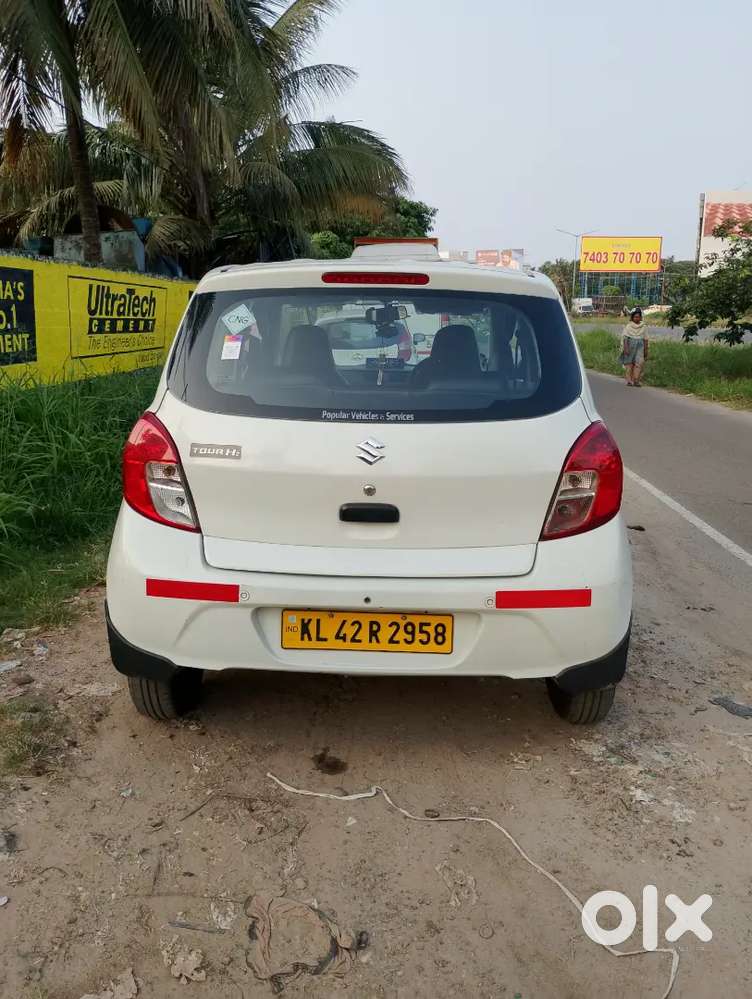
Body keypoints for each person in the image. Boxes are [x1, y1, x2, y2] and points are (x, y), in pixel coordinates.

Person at [620, 307, 648, 386]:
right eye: (635, 317)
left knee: (639, 363)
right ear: (632, 317)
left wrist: (646, 350)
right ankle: (629, 380)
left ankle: (636, 380)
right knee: (629, 364)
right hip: (630, 346)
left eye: (638, 317)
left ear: (641, 317)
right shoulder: (629, 326)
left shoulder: (643, 327)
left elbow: (646, 339)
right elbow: (625, 338)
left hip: (640, 347)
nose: (637, 318)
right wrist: (626, 348)